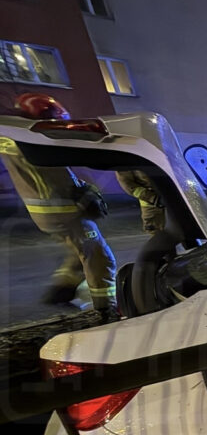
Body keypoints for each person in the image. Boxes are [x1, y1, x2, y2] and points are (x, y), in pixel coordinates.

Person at [0, 93, 117, 318]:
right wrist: (84, 196)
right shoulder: (34, 138)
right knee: (100, 256)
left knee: (80, 251)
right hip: (63, 211)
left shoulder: (11, 138)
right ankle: (105, 308)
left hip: (45, 213)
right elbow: (58, 176)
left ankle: (61, 291)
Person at [116, 170, 165, 234]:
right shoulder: (125, 162)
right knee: (157, 234)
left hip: (176, 197)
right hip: (152, 205)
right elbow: (128, 184)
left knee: (181, 230)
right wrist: (152, 198)